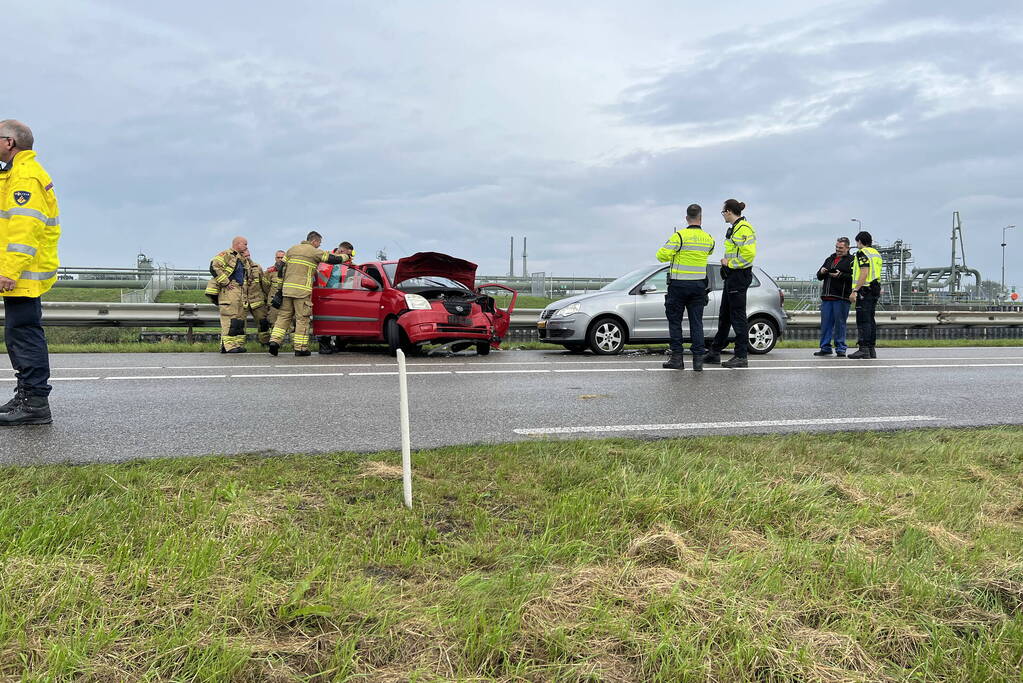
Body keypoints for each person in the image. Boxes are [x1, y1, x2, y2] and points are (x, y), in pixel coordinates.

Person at [0, 120, 60, 426]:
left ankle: (35, 403)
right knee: (19, 334)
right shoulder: (15, 173)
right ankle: (26, 395)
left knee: (24, 335)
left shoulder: (25, 176)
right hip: (22, 271)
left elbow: (25, 229)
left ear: (9, 142)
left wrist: (9, 270)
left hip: (23, 272)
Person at [268, 230, 350, 357]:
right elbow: (334, 259)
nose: (319, 245)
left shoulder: (291, 249)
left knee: (283, 317)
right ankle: (300, 348)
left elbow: (280, 269)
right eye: (319, 243)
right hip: (302, 292)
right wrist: (347, 256)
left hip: (287, 290)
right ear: (314, 241)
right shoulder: (314, 251)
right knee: (302, 319)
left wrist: (280, 289)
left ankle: (274, 342)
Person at [655, 203, 715, 371]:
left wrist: (674, 252)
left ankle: (677, 358)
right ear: (701, 218)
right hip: (699, 286)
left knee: (675, 322)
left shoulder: (679, 236)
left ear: (687, 218)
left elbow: (661, 255)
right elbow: (710, 251)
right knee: (697, 323)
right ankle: (698, 361)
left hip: (679, 285)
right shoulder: (708, 238)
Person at [704, 199, 757, 369]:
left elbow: (749, 255)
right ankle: (714, 352)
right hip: (732, 276)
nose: (723, 216)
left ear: (728, 211)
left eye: (723, 212)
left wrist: (730, 263)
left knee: (737, 316)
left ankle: (741, 355)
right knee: (725, 315)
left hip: (738, 276)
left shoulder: (743, 228)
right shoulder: (736, 228)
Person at [813, 237, 854, 357]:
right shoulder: (829, 259)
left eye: (840, 248)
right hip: (827, 297)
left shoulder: (852, 260)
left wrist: (840, 275)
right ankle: (825, 347)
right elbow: (819, 276)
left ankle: (841, 348)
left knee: (840, 324)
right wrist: (822, 271)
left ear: (847, 248)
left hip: (841, 298)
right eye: (836, 247)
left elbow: (854, 277)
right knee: (825, 324)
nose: (838, 250)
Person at [208, 236, 249, 353]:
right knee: (229, 318)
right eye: (245, 244)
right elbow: (213, 266)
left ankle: (233, 345)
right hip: (230, 290)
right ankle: (229, 346)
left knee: (238, 319)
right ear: (238, 244)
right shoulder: (226, 254)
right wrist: (226, 282)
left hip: (239, 290)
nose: (246, 247)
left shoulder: (240, 257)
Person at [848, 231, 883, 359]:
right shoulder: (876, 253)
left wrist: (855, 290)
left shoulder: (862, 253)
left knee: (863, 320)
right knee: (870, 319)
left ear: (860, 241)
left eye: (857, 242)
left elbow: (864, 272)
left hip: (865, 289)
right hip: (874, 288)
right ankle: (871, 349)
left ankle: (863, 349)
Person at [317, 241, 356, 354]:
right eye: (348, 254)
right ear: (342, 251)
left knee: (333, 321)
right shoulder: (326, 257)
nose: (349, 257)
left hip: (338, 296)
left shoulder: (345, 262)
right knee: (325, 320)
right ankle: (323, 345)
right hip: (324, 294)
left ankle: (330, 343)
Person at [242, 248, 272, 345]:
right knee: (239, 324)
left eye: (248, 255)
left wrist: (267, 299)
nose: (247, 258)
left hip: (257, 300)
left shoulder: (257, 267)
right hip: (241, 301)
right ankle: (237, 345)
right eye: (245, 256)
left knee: (263, 323)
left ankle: (265, 343)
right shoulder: (236, 267)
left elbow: (264, 284)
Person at [265, 249, 286, 328]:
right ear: (275, 258)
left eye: (282, 258)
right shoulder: (269, 272)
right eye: (278, 257)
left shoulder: (289, 271)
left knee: (287, 324)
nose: (280, 259)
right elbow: (265, 287)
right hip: (274, 302)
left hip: (286, 302)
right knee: (273, 322)